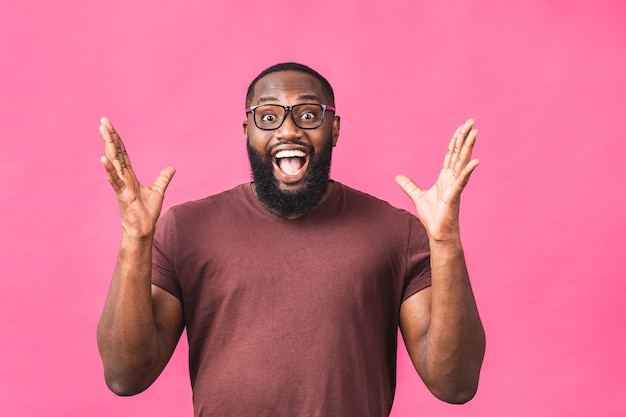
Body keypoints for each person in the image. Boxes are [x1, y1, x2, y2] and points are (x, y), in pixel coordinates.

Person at [97, 62, 485, 416]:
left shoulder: (396, 232)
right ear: (247, 132)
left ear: (333, 129)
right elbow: (125, 376)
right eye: (268, 116)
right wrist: (136, 237)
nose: (288, 129)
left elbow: (455, 384)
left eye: (308, 114)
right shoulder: (185, 228)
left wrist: (446, 242)